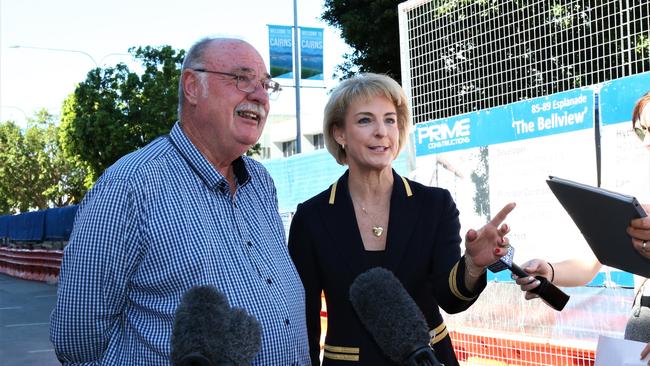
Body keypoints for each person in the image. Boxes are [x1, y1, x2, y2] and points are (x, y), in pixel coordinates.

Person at [50, 37, 310, 365]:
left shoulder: (260, 183)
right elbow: (77, 340)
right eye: (242, 79)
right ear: (191, 86)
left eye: (266, 84)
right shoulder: (130, 186)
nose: (259, 96)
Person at [288, 73, 516, 366]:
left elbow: (450, 300)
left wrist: (472, 265)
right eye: (365, 120)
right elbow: (303, 319)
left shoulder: (435, 204)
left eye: (390, 120)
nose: (382, 131)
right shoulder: (311, 217)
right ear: (339, 133)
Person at [516, 91, 650, 364]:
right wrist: (550, 271)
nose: (647, 141)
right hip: (640, 328)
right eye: (641, 131)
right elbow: (592, 261)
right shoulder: (639, 199)